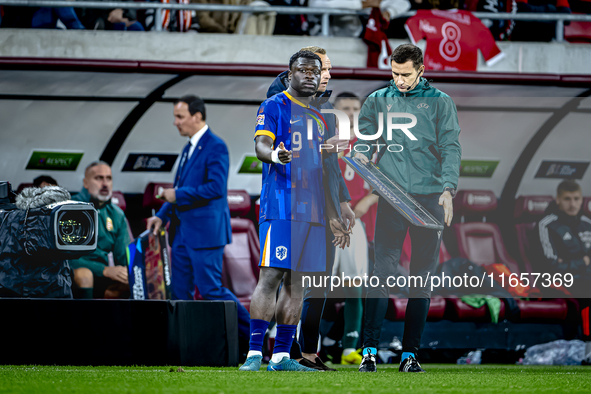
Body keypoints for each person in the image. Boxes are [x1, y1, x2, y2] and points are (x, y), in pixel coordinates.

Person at [239, 50, 350, 372]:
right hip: (281, 206)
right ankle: (254, 355)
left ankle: (282, 357)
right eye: (302, 70)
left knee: (298, 285)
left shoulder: (319, 117)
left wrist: (334, 212)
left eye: (315, 71)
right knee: (271, 277)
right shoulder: (273, 106)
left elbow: (325, 172)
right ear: (289, 75)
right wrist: (274, 155)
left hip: (313, 212)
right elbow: (260, 145)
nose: (310, 75)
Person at [353, 43, 461, 373]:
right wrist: (360, 152)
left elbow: (451, 148)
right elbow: (365, 138)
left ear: (421, 70)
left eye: (405, 74)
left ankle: (409, 355)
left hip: (430, 200)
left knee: (421, 280)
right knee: (381, 274)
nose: (399, 80)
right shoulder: (377, 101)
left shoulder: (441, 104)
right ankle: (369, 351)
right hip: (393, 197)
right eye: (394, 74)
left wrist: (448, 190)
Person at [145, 95, 251, 342]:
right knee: (180, 293)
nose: (175, 122)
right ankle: (187, 345)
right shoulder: (189, 147)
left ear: (197, 116)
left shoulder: (216, 146)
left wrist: (177, 194)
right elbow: (179, 188)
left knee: (211, 290)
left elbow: (215, 188)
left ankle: (254, 337)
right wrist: (161, 215)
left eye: (180, 117)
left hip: (206, 233)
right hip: (182, 233)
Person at [333, 92, 379, 365]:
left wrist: (366, 202)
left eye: (354, 108)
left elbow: (383, 186)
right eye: (345, 108)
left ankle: (349, 347)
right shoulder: (323, 142)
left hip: (355, 224)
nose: (350, 112)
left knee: (354, 283)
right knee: (316, 283)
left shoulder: (368, 145)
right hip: (325, 223)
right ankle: (305, 343)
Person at [535, 180, 591, 363]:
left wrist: (572, 262)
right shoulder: (547, 225)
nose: (573, 204)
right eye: (567, 199)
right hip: (557, 281)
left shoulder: (587, 223)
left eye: (576, 198)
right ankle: (588, 348)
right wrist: (582, 261)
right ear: (557, 200)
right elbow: (550, 265)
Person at [70, 161, 131, 299]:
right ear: (85, 183)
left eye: (108, 178)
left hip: (103, 274)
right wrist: (104, 270)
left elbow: (122, 257)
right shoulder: (70, 209)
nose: (105, 183)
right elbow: (64, 258)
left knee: (133, 280)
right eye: (98, 178)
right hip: (72, 272)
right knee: (85, 275)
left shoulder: (117, 214)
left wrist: (128, 272)